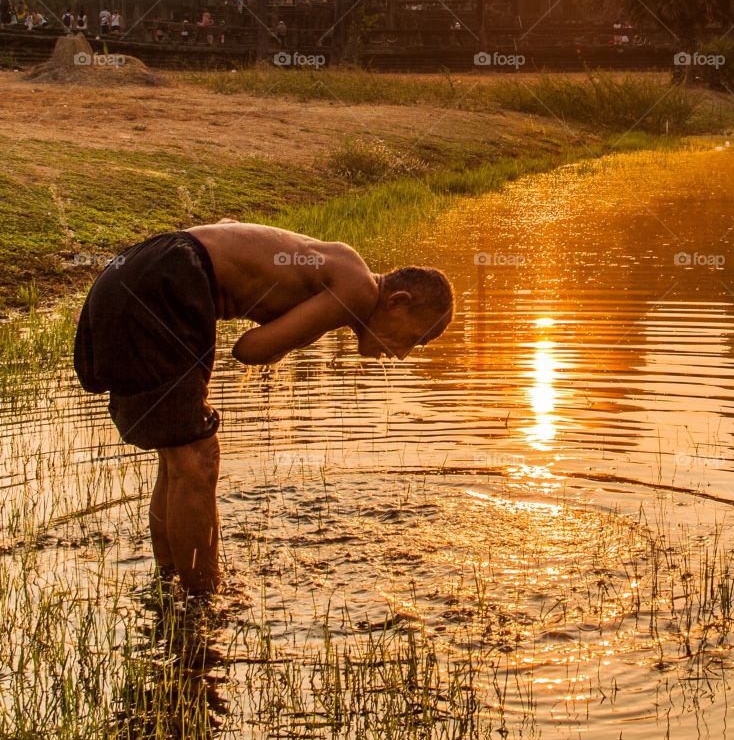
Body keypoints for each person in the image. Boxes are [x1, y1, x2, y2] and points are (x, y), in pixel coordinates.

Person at [72, 223, 454, 595]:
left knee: (178, 458)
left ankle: (171, 588)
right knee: (198, 459)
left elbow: (232, 239)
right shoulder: (358, 290)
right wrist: (300, 336)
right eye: (414, 339)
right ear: (398, 301)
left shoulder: (342, 266)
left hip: (145, 267)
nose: (401, 355)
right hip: (168, 279)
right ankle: (203, 603)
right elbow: (250, 349)